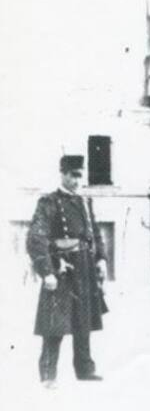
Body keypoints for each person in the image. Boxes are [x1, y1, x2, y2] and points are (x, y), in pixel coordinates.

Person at [27, 155, 108, 388]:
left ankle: (85, 369)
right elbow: (36, 238)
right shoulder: (49, 202)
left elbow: (95, 233)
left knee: (83, 319)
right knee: (55, 322)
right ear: (62, 174)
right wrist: (47, 271)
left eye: (80, 175)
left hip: (85, 266)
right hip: (61, 266)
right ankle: (48, 374)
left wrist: (101, 259)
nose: (77, 180)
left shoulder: (85, 202)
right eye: (73, 175)